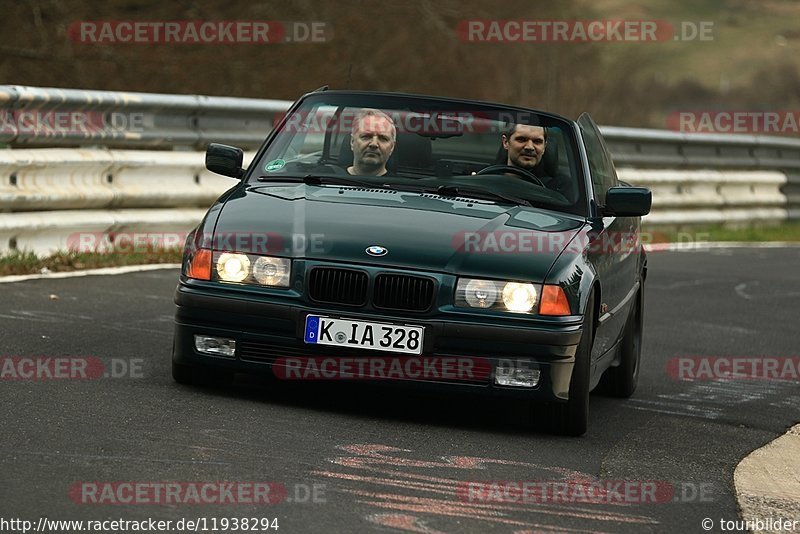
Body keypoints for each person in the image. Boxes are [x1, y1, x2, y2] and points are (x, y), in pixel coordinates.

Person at [501, 123, 572, 198]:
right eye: (521, 139)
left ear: (544, 147)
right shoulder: (488, 176)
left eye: (537, 141)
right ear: (506, 142)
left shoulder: (562, 189)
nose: (529, 147)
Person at [347, 109, 396, 176]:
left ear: (392, 147)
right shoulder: (330, 178)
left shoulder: (401, 185)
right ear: (352, 142)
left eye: (383, 138)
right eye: (366, 136)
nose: (374, 144)